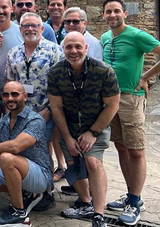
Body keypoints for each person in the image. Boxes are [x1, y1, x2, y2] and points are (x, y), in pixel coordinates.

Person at [101, 0, 160, 225]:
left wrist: (146, 76)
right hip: (111, 100)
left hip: (131, 99)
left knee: (136, 150)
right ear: (103, 15)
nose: (112, 15)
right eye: (108, 12)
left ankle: (134, 203)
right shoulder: (105, 37)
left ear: (125, 13)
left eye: (117, 11)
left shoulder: (136, 35)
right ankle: (131, 193)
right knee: (121, 147)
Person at [49, 32, 120, 227]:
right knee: (73, 163)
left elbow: (112, 105)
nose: (74, 51)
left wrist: (93, 132)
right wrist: (67, 137)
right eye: (69, 47)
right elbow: (56, 107)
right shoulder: (56, 73)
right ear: (63, 49)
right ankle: (86, 203)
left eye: (78, 47)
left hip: (96, 125)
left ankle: (98, 214)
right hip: (69, 127)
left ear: (86, 48)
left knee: (92, 161)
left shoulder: (103, 71)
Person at [0, 81, 54, 227]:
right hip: (14, 169)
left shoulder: (35, 120)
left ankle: (20, 214)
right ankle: (26, 194)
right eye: (6, 95)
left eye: (15, 94)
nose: (10, 98)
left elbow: (15, 147)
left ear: (25, 96)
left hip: (40, 175)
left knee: (7, 158)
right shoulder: (4, 120)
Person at [6, 12, 64, 210]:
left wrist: (49, 110)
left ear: (42, 28)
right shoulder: (13, 53)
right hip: (21, 113)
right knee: (23, 148)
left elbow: (61, 84)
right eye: (25, 26)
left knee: (42, 150)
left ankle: (46, 192)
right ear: (20, 29)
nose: (30, 29)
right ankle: (27, 187)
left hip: (44, 111)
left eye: (34, 25)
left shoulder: (55, 51)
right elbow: (9, 82)